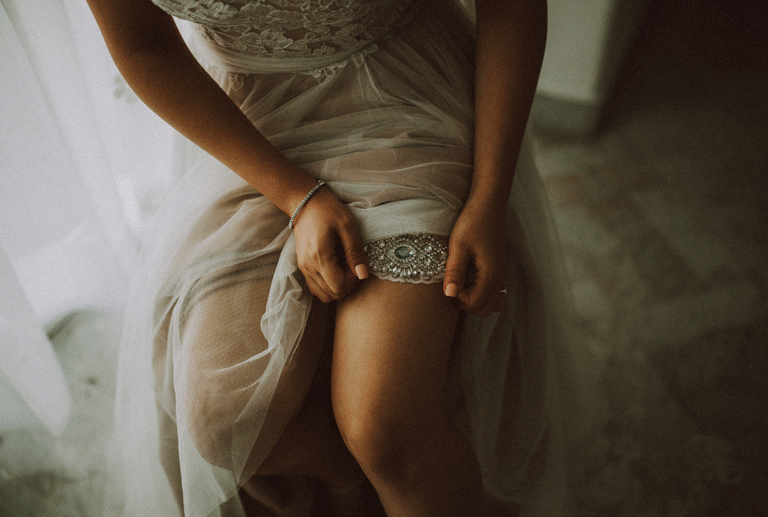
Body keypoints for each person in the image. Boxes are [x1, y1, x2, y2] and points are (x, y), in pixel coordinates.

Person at [88, 0, 574, 515]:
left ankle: (396, 468)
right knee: (221, 421)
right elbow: (144, 46)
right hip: (246, 125)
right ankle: (347, 477)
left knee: (385, 425)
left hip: (398, 101)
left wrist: (488, 198)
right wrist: (296, 195)